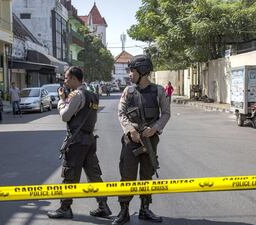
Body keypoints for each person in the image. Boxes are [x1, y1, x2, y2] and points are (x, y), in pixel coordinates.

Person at [47, 66, 112, 219]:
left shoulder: (76, 95)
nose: (64, 80)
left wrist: (62, 100)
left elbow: (65, 116)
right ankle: (103, 205)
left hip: (76, 141)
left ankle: (65, 208)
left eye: (66, 77)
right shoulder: (93, 95)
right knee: (94, 175)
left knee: (70, 175)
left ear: (74, 79)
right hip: (89, 140)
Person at [113, 55, 170, 225]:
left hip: (150, 140)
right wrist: (131, 130)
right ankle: (124, 210)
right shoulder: (128, 91)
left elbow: (166, 113)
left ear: (143, 72)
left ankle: (145, 208)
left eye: (132, 71)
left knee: (147, 175)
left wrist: (155, 128)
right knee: (127, 175)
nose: (130, 74)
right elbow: (121, 113)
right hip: (131, 141)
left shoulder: (158, 91)